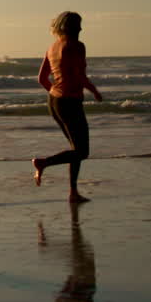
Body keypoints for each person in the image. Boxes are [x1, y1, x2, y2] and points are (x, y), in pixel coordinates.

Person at [32, 11, 103, 203]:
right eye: (78, 25)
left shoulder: (52, 47)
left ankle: (73, 193)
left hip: (54, 102)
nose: (81, 28)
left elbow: (41, 79)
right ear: (71, 27)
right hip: (69, 103)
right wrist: (95, 91)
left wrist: (56, 93)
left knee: (75, 149)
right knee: (82, 151)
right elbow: (80, 76)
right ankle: (43, 163)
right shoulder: (76, 46)